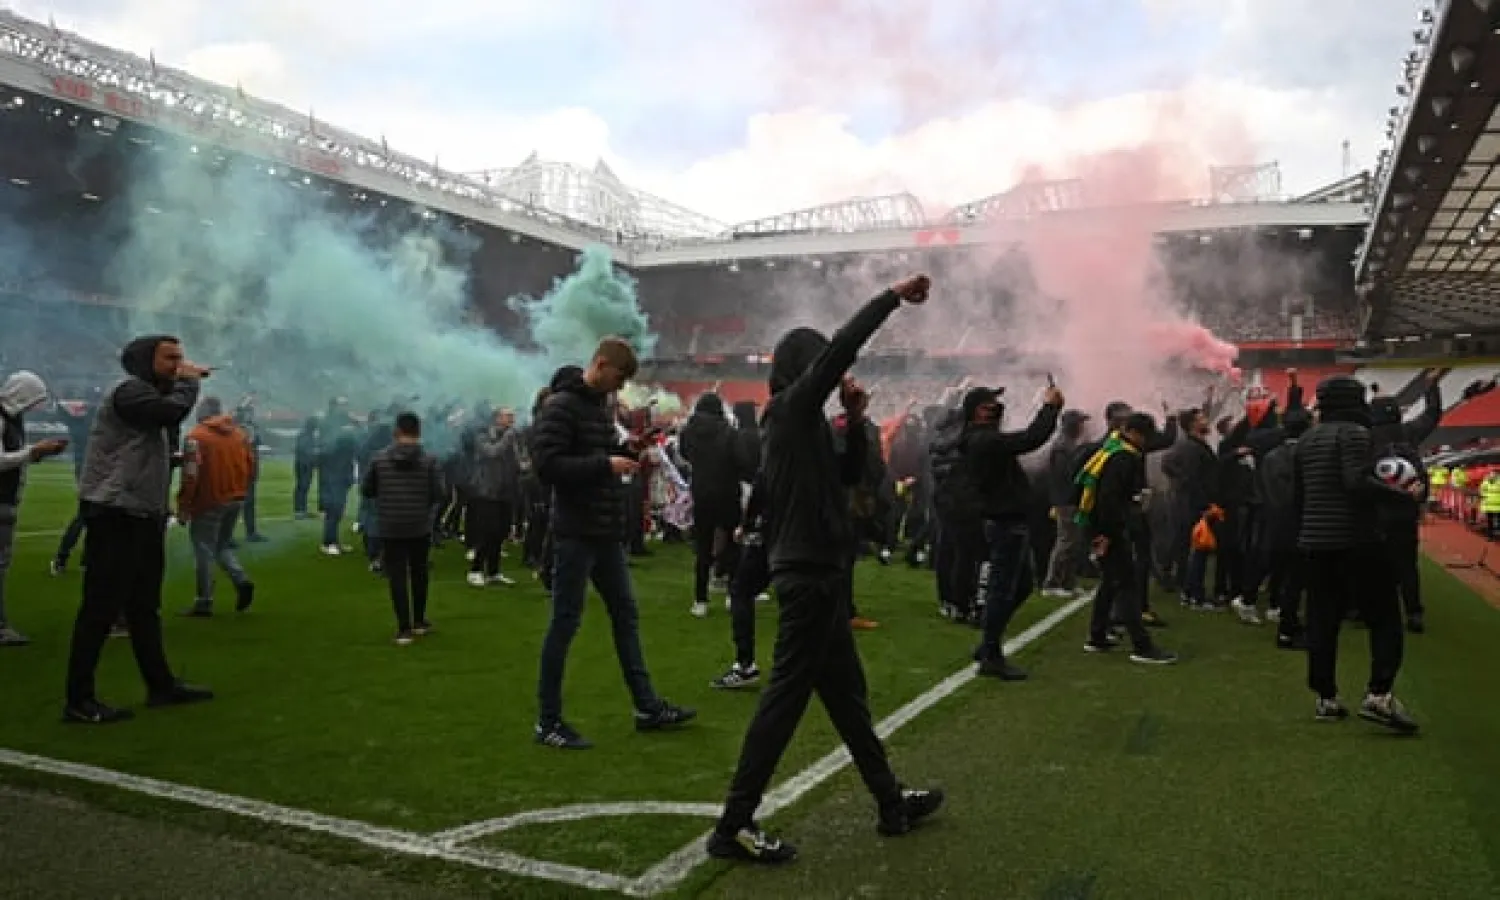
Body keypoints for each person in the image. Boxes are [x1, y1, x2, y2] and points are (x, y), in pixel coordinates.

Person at [708, 275, 942, 865]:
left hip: (822, 572)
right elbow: (842, 348)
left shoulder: (803, 424)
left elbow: (846, 477)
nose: (833, 375)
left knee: (848, 699)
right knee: (785, 701)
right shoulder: (789, 411)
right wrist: (890, 298)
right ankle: (732, 824)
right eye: (821, 365)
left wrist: (858, 421)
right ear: (804, 367)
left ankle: (890, 803)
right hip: (808, 574)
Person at [531, 339, 696, 749]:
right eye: (619, 378)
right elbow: (547, 465)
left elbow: (597, 454)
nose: (620, 388)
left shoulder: (597, 407)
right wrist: (606, 463)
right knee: (565, 623)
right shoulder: (561, 407)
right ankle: (547, 721)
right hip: (575, 532)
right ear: (601, 365)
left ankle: (646, 706)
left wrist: (627, 449)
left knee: (626, 615)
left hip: (603, 531)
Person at [62, 335, 214, 725]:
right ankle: (78, 699)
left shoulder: (147, 396)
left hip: (143, 513)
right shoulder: (130, 391)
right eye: (171, 358)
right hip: (115, 511)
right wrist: (190, 382)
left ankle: (160, 685)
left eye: (181, 358)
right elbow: (169, 413)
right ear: (145, 360)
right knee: (101, 607)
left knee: (144, 606)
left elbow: (142, 443)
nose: (179, 364)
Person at [1295, 375, 1418, 733]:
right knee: (1385, 619)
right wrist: (1401, 495)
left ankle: (1326, 699)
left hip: (1315, 542)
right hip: (1357, 541)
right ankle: (1379, 695)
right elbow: (1355, 482)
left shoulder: (1306, 440)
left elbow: (1299, 498)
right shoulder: (1354, 434)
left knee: (1322, 621)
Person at [964, 384, 1063, 681]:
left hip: (1009, 520)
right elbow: (1031, 438)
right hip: (1004, 522)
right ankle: (991, 654)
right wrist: (1050, 408)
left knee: (1019, 587)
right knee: (1002, 589)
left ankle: (987, 643)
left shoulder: (982, 438)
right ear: (976, 411)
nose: (997, 407)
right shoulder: (982, 440)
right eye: (989, 403)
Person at [1076, 412, 1178, 664]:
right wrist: (1107, 534)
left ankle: (1097, 635)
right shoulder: (1123, 458)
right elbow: (1109, 501)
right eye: (1145, 436)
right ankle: (1142, 646)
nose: (1146, 442)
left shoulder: (1113, 449)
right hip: (1110, 531)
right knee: (1127, 584)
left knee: (1111, 582)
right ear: (1133, 433)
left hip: (1103, 528)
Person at [361, 412, 445, 645]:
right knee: (419, 573)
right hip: (419, 524)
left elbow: (367, 490)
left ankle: (403, 629)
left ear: (396, 432)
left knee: (397, 576)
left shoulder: (379, 459)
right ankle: (419, 621)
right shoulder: (430, 460)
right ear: (418, 432)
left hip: (390, 524)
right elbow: (440, 493)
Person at [0, 371, 68, 646]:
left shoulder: (12, 419)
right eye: (31, 400)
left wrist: (37, 454)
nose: (32, 407)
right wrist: (32, 452)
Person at [177, 396, 256, 616]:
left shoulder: (196, 437)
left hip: (209, 500)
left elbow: (191, 475)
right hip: (236, 497)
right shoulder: (240, 434)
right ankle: (240, 579)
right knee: (221, 546)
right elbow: (251, 466)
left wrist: (184, 504)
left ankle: (204, 601)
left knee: (203, 550)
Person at [680, 392, 741, 618]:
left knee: (703, 547)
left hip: (701, 493)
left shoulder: (688, 432)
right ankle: (731, 595)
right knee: (733, 545)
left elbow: (684, 455)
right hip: (727, 492)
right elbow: (738, 459)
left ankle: (700, 600)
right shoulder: (729, 432)